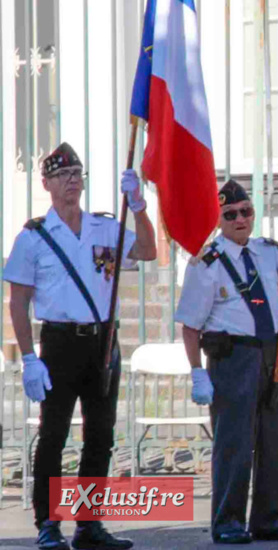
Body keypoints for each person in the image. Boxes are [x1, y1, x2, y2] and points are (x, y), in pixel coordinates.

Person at [4, 142, 157, 550]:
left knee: (100, 436)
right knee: (53, 436)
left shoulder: (104, 228)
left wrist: (139, 205)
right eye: (62, 175)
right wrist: (30, 359)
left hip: (102, 341)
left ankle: (89, 524)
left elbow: (147, 250)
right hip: (59, 343)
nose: (72, 181)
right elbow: (17, 301)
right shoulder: (34, 237)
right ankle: (48, 523)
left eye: (77, 174)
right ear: (46, 183)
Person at [175, 180, 278, 545]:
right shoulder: (207, 262)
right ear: (219, 219)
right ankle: (227, 521)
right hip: (234, 357)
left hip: (275, 354)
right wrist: (196, 372)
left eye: (246, 212)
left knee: (273, 440)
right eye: (230, 214)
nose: (240, 219)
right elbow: (189, 326)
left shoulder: (269, 252)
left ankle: (268, 519)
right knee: (234, 444)